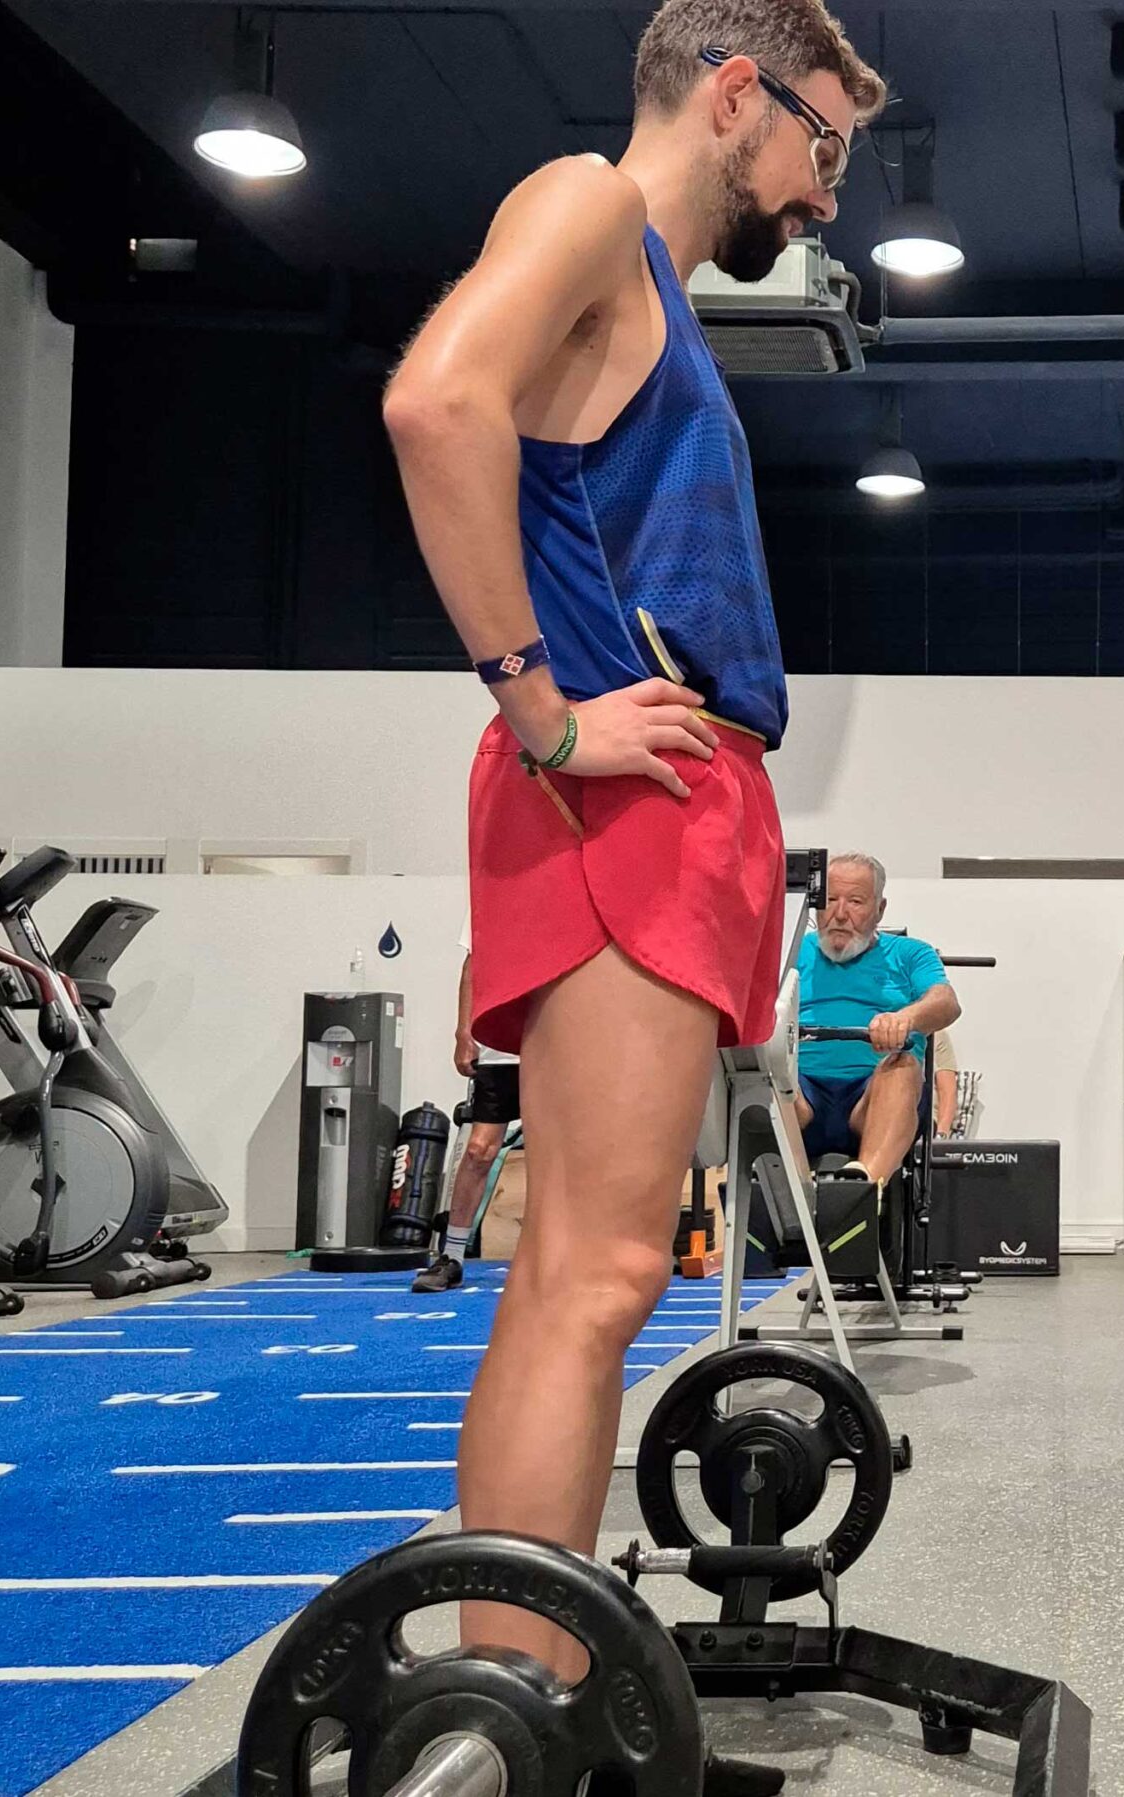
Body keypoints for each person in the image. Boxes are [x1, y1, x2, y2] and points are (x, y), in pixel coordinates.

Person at [379, 0, 883, 1678]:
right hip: (621, 788)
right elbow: (437, 404)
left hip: (661, 800)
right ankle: (516, 1694)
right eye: (824, 146)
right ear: (742, 92)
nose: (823, 199)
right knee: (595, 1277)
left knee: (576, 1278)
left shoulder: (644, 285)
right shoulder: (587, 204)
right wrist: (542, 709)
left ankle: (517, 1676)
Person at [794, 852, 959, 1187]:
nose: (840, 914)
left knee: (902, 1066)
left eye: (855, 901)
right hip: (799, 1096)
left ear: (880, 910)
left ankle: (862, 1189)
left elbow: (946, 1002)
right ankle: (786, 1190)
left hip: (871, 1099)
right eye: (829, 900)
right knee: (761, 1078)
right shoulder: (791, 949)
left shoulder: (910, 953)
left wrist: (905, 1018)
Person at [414, 920, 520, 1294]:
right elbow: (474, 963)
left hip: (553, 1038)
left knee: (552, 1154)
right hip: (499, 1046)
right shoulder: (487, 890)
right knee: (478, 1150)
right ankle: (452, 1256)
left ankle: (555, 1256)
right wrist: (464, 1032)